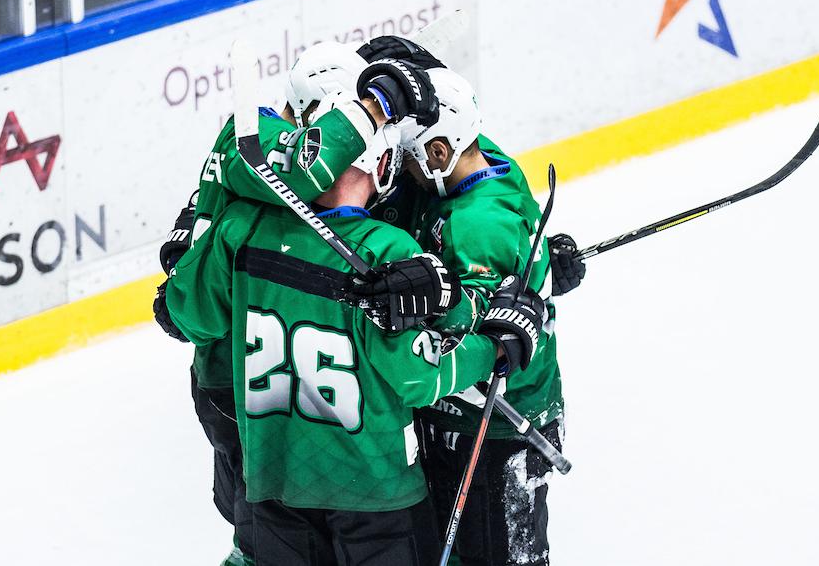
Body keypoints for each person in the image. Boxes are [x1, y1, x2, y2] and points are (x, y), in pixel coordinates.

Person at [165, 125, 546, 565]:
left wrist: (193, 242)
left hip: (272, 482)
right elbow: (418, 378)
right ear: (382, 164)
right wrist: (496, 348)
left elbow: (188, 314)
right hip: (376, 492)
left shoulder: (243, 226)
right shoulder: (387, 248)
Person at [152, 41, 447, 564]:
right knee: (259, 527)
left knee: (271, 522)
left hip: (252, 364)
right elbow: (307, 170)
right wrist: (377, 103)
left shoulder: (255, 189)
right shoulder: (258, 144)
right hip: (236, 373)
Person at [345, 65, 565, 566]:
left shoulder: (475, 224)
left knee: (498, 554)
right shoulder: (493, 166)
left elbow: (484, 332)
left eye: (409, 160)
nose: (403, 172)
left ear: (439, 152)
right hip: (481, 422)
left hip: (496, 427)